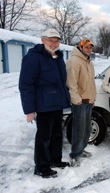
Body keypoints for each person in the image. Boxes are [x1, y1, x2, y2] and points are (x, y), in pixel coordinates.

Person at [19, 29, 71, 178]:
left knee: (57, 134)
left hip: (57, 103)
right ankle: (41, 167)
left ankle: (55, 160)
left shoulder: (58, 57)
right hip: (43, 104)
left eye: (56, 41)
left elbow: (61, 82)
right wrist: (29, 110)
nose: (54, 44)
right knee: (44, 137)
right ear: (43, 40)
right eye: (51, 40)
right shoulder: (33, 58)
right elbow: (25, 84)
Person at [66, 38, 96, 166]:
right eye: (87, 47)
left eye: (91, 47)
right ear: (81, 47)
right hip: (80, 102)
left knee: (86, 128)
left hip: (88, 101)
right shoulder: (74, 61)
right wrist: (76, 99)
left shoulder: (88, 62)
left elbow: (92, 83)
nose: (89, 49)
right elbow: (71, 83)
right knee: (79, 129)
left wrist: (93, 98)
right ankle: (74, 154)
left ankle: (81, 149)